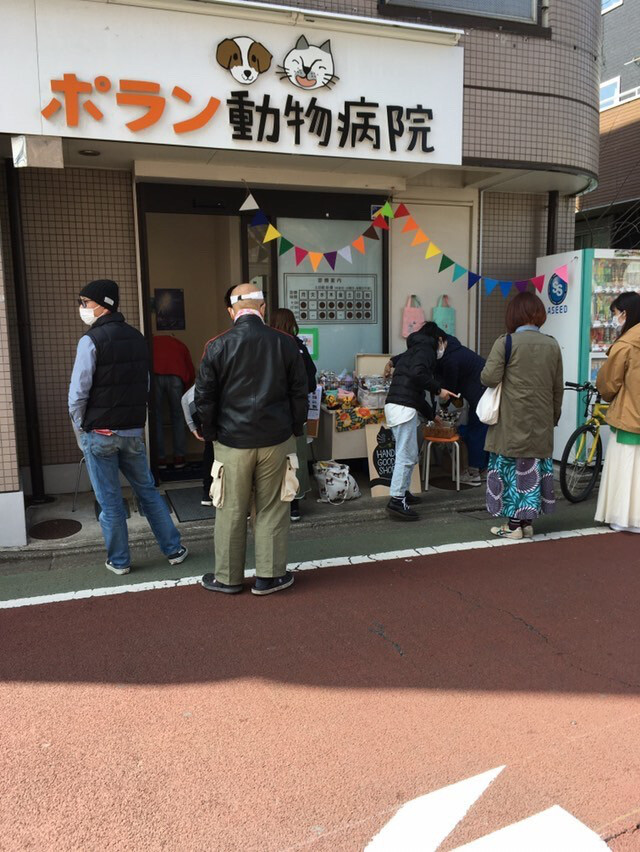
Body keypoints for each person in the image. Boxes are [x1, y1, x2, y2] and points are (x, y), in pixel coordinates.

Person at [69, 279, 188, 575]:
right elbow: (144, 385)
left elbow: (78, 393)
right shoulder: (138, 338)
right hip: (132, 434)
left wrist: (81, 428)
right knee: (148, 493)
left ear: (103, 305)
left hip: (99, 434)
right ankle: (174, 549)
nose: (82, 308)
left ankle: (120, 561)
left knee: (110, 502)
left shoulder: (90, 341)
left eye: (85, 302)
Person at [195, 283, 308, 595]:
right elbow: (300, 391)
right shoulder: (286, 343)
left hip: (231, 442)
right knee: (272, 508)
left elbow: (204, 397)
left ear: (231, 311)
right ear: (263, 308)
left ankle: (228, 579)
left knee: (230, 510)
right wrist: (295, 428)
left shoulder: (217, 345)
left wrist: (210, 434)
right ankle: (269, 577)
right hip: (277, 439)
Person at [481, 291, 563, 540]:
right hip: (540, 422)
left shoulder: (506, 342)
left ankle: (513, 526)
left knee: (511, 471)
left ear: (513, 315)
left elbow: (489, 377)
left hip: (511, 421)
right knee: (531, 472)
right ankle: (526, 523)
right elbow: (557, 388)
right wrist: (553, 418)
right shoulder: (552, 344)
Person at [384, 325, 457, 521]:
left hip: (398, 405)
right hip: (403, 408)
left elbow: (415, 392)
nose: (443, 348)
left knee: (408, 453)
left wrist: (432, 415)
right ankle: (397, 500)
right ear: (439, 339)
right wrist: (438, 389)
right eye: (444, 343)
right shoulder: (426, 351)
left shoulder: (413, 351)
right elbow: (418, 376)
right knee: (406, 455)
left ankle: (403, 492)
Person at [421, 321, 488, 487]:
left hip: (482, 395)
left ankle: (473, 472)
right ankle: (482, 470)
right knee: (479, 430)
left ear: (440, 340)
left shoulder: (451, 358)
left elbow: (449, 390)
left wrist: (443, 405)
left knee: (477, 430)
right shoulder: (450, 349)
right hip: (479, 393)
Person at [595, 291, 640, 533]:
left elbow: (609, 383)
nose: (615, 318)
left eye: (615, 314)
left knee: (626, 467)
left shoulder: (626, 345)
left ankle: (625, 518)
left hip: (629, 414)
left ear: (625, 314)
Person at [269, 308, 317, 522]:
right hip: (296, 413)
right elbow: (311, 381)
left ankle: (272, 505)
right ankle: (294, 505)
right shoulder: (298, 346)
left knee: (271, 460)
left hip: (272, 413)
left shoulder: (268, 345)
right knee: (295, 458)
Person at [153, 334, 195, 469]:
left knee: (156, 417)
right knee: (178, 416)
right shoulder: (178, 344)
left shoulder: (151, 342)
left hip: (155, 376)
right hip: (176, 377)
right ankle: (179, 457)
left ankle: (160, 458)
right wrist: (187, 387)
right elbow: (189, 367)